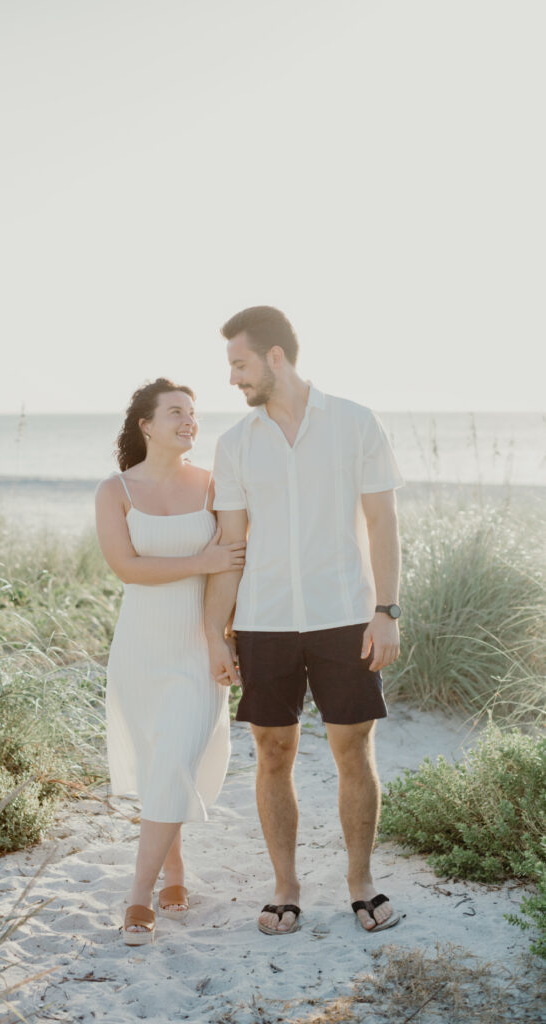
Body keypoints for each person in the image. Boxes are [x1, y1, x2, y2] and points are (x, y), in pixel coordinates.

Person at [204, 306, 404, 936]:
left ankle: (361, 881)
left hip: (344, 614)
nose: (233, 378)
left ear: (275, 357)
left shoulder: (354, 423)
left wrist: (386, 610)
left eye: (239, 363)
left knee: (352, 748)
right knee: (272, 751)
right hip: (264, 620)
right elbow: (232, 546)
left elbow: (382, 523)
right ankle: (286, 884)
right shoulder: (235, 444)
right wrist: (220, 629)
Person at [95, 378, 244, 945]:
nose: (189, 421)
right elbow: (127, 568)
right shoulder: (115, 492)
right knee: (162, 761)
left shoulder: (213, 486)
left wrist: (218, 634)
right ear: (146, 425)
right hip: (138, 648)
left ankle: (137, 898)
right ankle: (175, 872)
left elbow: (231, 563)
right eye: (176, 412)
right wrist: (201, 556)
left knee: (178, 750)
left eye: (193, 413)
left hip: (196, 645)